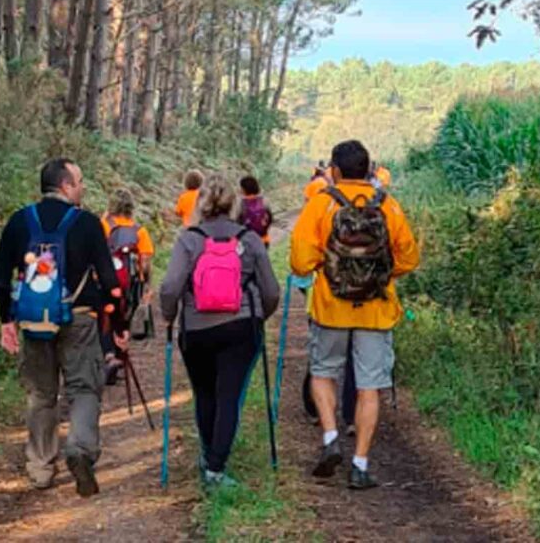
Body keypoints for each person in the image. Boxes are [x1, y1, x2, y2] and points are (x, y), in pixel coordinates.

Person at [0, 158, 122, 497]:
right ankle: (80, 448)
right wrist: (119, 324)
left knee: (41, 393)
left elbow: (1, 278)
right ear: (65, 185)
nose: (83, 187)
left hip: (34, 321)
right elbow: (110, 280)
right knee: (84, 388)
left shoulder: (19, 221)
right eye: (79, 181)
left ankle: (40, 467)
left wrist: (6, 321)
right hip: (79, 318)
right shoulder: (88, 223)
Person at [291, 140, 420, 489]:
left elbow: (300, 261)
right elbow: (409, 258)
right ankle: (360, 464)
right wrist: (378, 276)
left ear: (334, 170)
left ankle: (331, 437)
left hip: (330, 306)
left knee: (323, 372)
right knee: (369, 386)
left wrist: (329, 268)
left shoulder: (321, 203)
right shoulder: (387, 205)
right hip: (376, 309)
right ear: (369, 170)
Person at [160, 174, 280, 488]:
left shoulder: (188, 239)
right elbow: (271, 291)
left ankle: (208, 454)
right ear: (233, 204)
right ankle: (216, 467)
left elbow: (170, 287)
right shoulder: (249, 239)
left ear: (201, 204)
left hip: (196, 329)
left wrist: (169, 317)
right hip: (241, 328)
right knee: (229, 396)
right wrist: (258, 318)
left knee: (204, 393)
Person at [100, 188, 155, 384]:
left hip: (106, 281)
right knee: (124, 320)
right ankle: (119, 358)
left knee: (106, 318)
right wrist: (146, 283)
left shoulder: (104, 225)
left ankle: (108, 356)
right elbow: (145, 261)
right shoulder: (139, 231)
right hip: (129, 284)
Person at [238, 175, 273, 247]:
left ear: (243, 189)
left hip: (247, 241)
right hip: (263, 239)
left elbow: (237, 223)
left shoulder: (240, 204)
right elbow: (270, 219)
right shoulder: (264, 201)